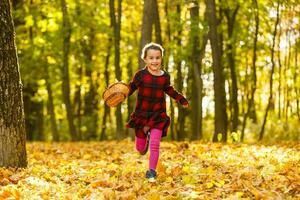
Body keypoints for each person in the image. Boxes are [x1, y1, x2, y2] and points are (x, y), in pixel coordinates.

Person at [126, 42, 189, 180]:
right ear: (145, 59)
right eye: (151, 58)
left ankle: (151, 171)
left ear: (161, 58)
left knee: (155, 144)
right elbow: (131, 88)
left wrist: (181, 99)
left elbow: (170, 90)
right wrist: (122, 94)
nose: (155, 61)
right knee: (140, 148)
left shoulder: (164, 77)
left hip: (158, 114)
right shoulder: (140, 75)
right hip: (142, 114)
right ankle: (144, 140)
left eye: (157, 58)